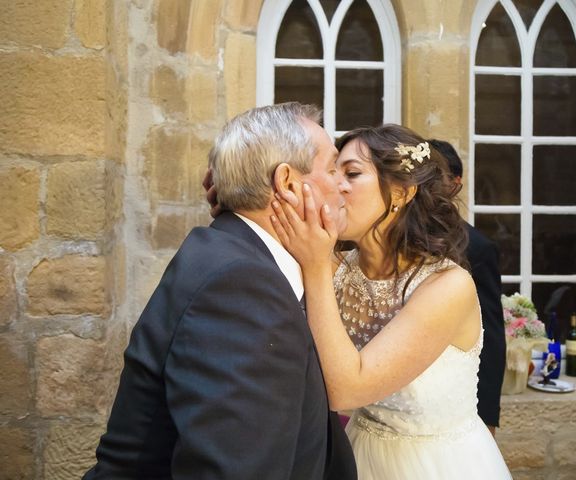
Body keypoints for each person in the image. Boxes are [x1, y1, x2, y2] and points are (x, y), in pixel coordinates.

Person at [83, 103, 357, 480]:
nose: (343, 185)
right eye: (331, 169)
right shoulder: (243, 286)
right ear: (289, 183)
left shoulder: (234, 253)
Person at [269, 124, 511, 479]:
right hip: (356, 455)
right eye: (334, 172)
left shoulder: (447, 286)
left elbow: (347, 392)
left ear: (400, 192)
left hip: (437, 464)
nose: (336, 185)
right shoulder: (333, 265)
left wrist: (317, 267)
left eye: (351, 173)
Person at [428, 139, 506, 435]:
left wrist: (487, 414)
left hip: (456, 398)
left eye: (437, 175)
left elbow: (492, 336)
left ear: (455, 184)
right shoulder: (392, 241)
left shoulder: (478, 248)